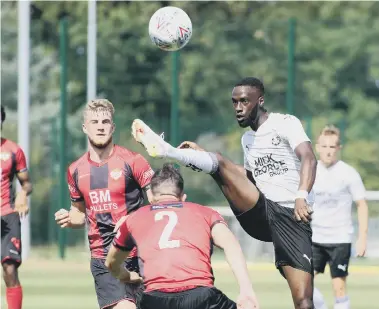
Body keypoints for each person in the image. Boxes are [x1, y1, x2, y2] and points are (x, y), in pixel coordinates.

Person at [130, 77, 318, 309]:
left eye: (244, 102)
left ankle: (186, 155)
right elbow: (248, 179)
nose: (238, 108)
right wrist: (204, 157)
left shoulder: (286, 123)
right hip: (260, 213)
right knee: (218, 163)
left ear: (260, 101)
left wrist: (301, 194)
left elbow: (309, 157)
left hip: (291, 215)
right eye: (234, 102)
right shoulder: (247, 139)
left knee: (303, 300)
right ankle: (167, 150)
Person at [105, 163, 260, 309]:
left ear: (151, 197)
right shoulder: (205, 213)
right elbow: (230, 243)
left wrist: (127, 276)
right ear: (183, 198)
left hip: (155, 299)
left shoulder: (134, 218)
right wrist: (246, 289)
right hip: (201, 298)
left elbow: (111, 263)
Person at [54, 99, 155, 309]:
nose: (100, 126)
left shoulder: (133, 161)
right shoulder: (75, 170)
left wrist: (132, 219)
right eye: (94, 122)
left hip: (141, 254)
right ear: (85, 127)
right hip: (103, 259)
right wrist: (69, 217)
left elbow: (159, 203)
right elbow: (80, 214)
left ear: (113, 127)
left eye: (105, 121)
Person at [310, 125, 368, 309]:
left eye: (332, 147)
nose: (328, 151)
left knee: (339, 287)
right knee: (304, 283)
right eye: (324, 146)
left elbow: (362, 204)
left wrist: (363, 237)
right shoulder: (309, 171)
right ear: (317, 147)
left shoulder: (348, 173)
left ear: (339, 148)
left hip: (340, 239)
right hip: (314, 237)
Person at [1, 106, 33, 309]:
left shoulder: (13, 150)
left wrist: (22, 194)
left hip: (7, 215)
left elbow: (27, 183)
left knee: (10, 269)